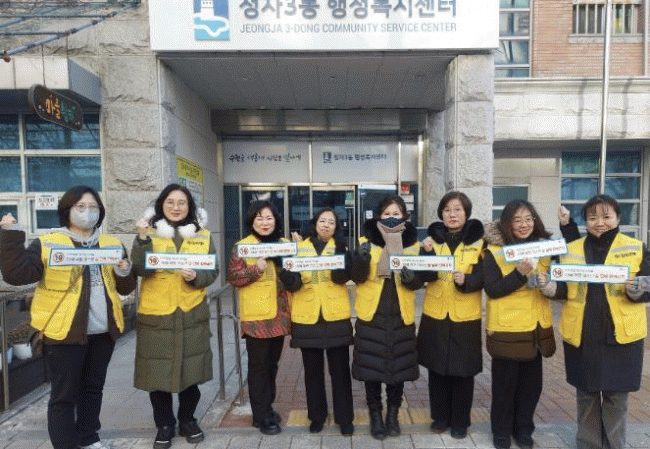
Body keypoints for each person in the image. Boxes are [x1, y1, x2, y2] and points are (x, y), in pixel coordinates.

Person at [0, 186, 136, 449]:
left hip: (102, 332)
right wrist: (10, 236)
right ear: (67, 210)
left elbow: (125, 288)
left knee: (92, 389)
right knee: (64, 396)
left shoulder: (112, 244)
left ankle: (89, 437)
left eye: (93, 207)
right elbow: (18, 275)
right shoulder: (48, 242)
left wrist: (124, 271)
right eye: (80, 207)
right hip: (62, 332)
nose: (88, 212)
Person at [541, 195, 650, 449]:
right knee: (586, 395)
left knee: (616, 398)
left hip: (621, 336)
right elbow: (563, 288)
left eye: (606, 216)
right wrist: (547, 286)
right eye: (592, 217)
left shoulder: (636, 247)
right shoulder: (572, 249)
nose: (599, 222)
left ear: (618, 218)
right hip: (583, 334)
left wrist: (637, 289)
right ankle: (588, 444)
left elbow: (648, 286)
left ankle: (614, 445)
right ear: (586, 222)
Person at [131, 183, 218, 449]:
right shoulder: (149, 233)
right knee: (158, 378)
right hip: (158, 316)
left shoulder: (202, 235)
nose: (176, 207)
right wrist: (142, 238)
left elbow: (212, 271)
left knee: (191, 375)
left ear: (190, 207)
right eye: (170, 202)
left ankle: (188, 420)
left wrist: (197, 276)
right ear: (161, 205)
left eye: (182, 203)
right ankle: (165, 425)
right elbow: (139, 269)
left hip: (191, 314)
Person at [483, 199, 556, 449]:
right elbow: (493, 289)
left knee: (531, 389)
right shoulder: (494, 252)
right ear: (507, 223)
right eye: (517, 220)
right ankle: (501, 433)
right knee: (504, 389)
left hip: (536, 329)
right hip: (508, 331)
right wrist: (519, 273)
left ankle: (523, 430)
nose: (524, 225)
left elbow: (565, 269)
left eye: (528, 219)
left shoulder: (546, 247)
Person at [350, 195, 424, 440]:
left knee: (397, 372)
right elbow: (357, 277)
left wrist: (410, 276)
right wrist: (360, 260)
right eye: (387, 213)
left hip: (400, 315)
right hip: (372, 315)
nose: (391, 217)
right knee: (372, 371)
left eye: (396, 213)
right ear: (378, 216)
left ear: (404, 216)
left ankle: (393, 415)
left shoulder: (413, 244)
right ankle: (375, 416)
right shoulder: (365, 242)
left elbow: (418, 281)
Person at [282, 208, 354, 435]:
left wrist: (342, 253)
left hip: (336, 316)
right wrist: (287, 263)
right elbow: (293, 284)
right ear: (315, 224)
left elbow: (342, 278)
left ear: (336, 227)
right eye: (322, 221)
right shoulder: (299, 248)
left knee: (340, 373)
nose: (326, 225)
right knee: (312, 373)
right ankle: (317, 416)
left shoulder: (341, 248)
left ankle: (345, 418)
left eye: (331, 222)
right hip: (307, 317)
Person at [418, 191, 484, 439]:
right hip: (435, 314)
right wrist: (426, 254)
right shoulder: (431, 242)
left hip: (465, 316)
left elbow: (484, 277)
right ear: (441, 215)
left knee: (463, 371)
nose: (452, 214)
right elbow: (423, 276)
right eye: (447, 210)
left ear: (466, 213)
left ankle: (460, 421)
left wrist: (467, 280)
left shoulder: (480, 244)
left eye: (457, 210)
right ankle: (440, 418)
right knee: (437, 370)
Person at [227, 200, 292, 435]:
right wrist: (256, 269)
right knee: (258, 368)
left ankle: (265, 409)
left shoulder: (283, 245)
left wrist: (295, 251)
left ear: (276, 221)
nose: (265, 223)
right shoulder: (243, 247)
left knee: (272, 366)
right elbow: (234, 277)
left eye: (269, 218)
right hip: (256, 319)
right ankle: (261, 415)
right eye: (259, 218)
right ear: (251, 221)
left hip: (279, 317)